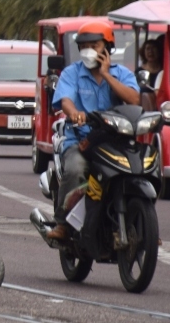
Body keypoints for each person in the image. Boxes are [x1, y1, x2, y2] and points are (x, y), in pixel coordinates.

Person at [47, 21, 140, 240]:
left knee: (138, 170)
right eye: (84, 46)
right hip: (80, 141)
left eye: (95, 45)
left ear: (108, 47)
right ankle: (63, 223)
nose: (89, 50)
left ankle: (139, 223)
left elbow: (134, 100)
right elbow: (66, 101)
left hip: (115, 142)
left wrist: (107, 74)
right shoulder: (71, 73)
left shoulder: (122, 74)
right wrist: (75, 114)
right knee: (77, 169)